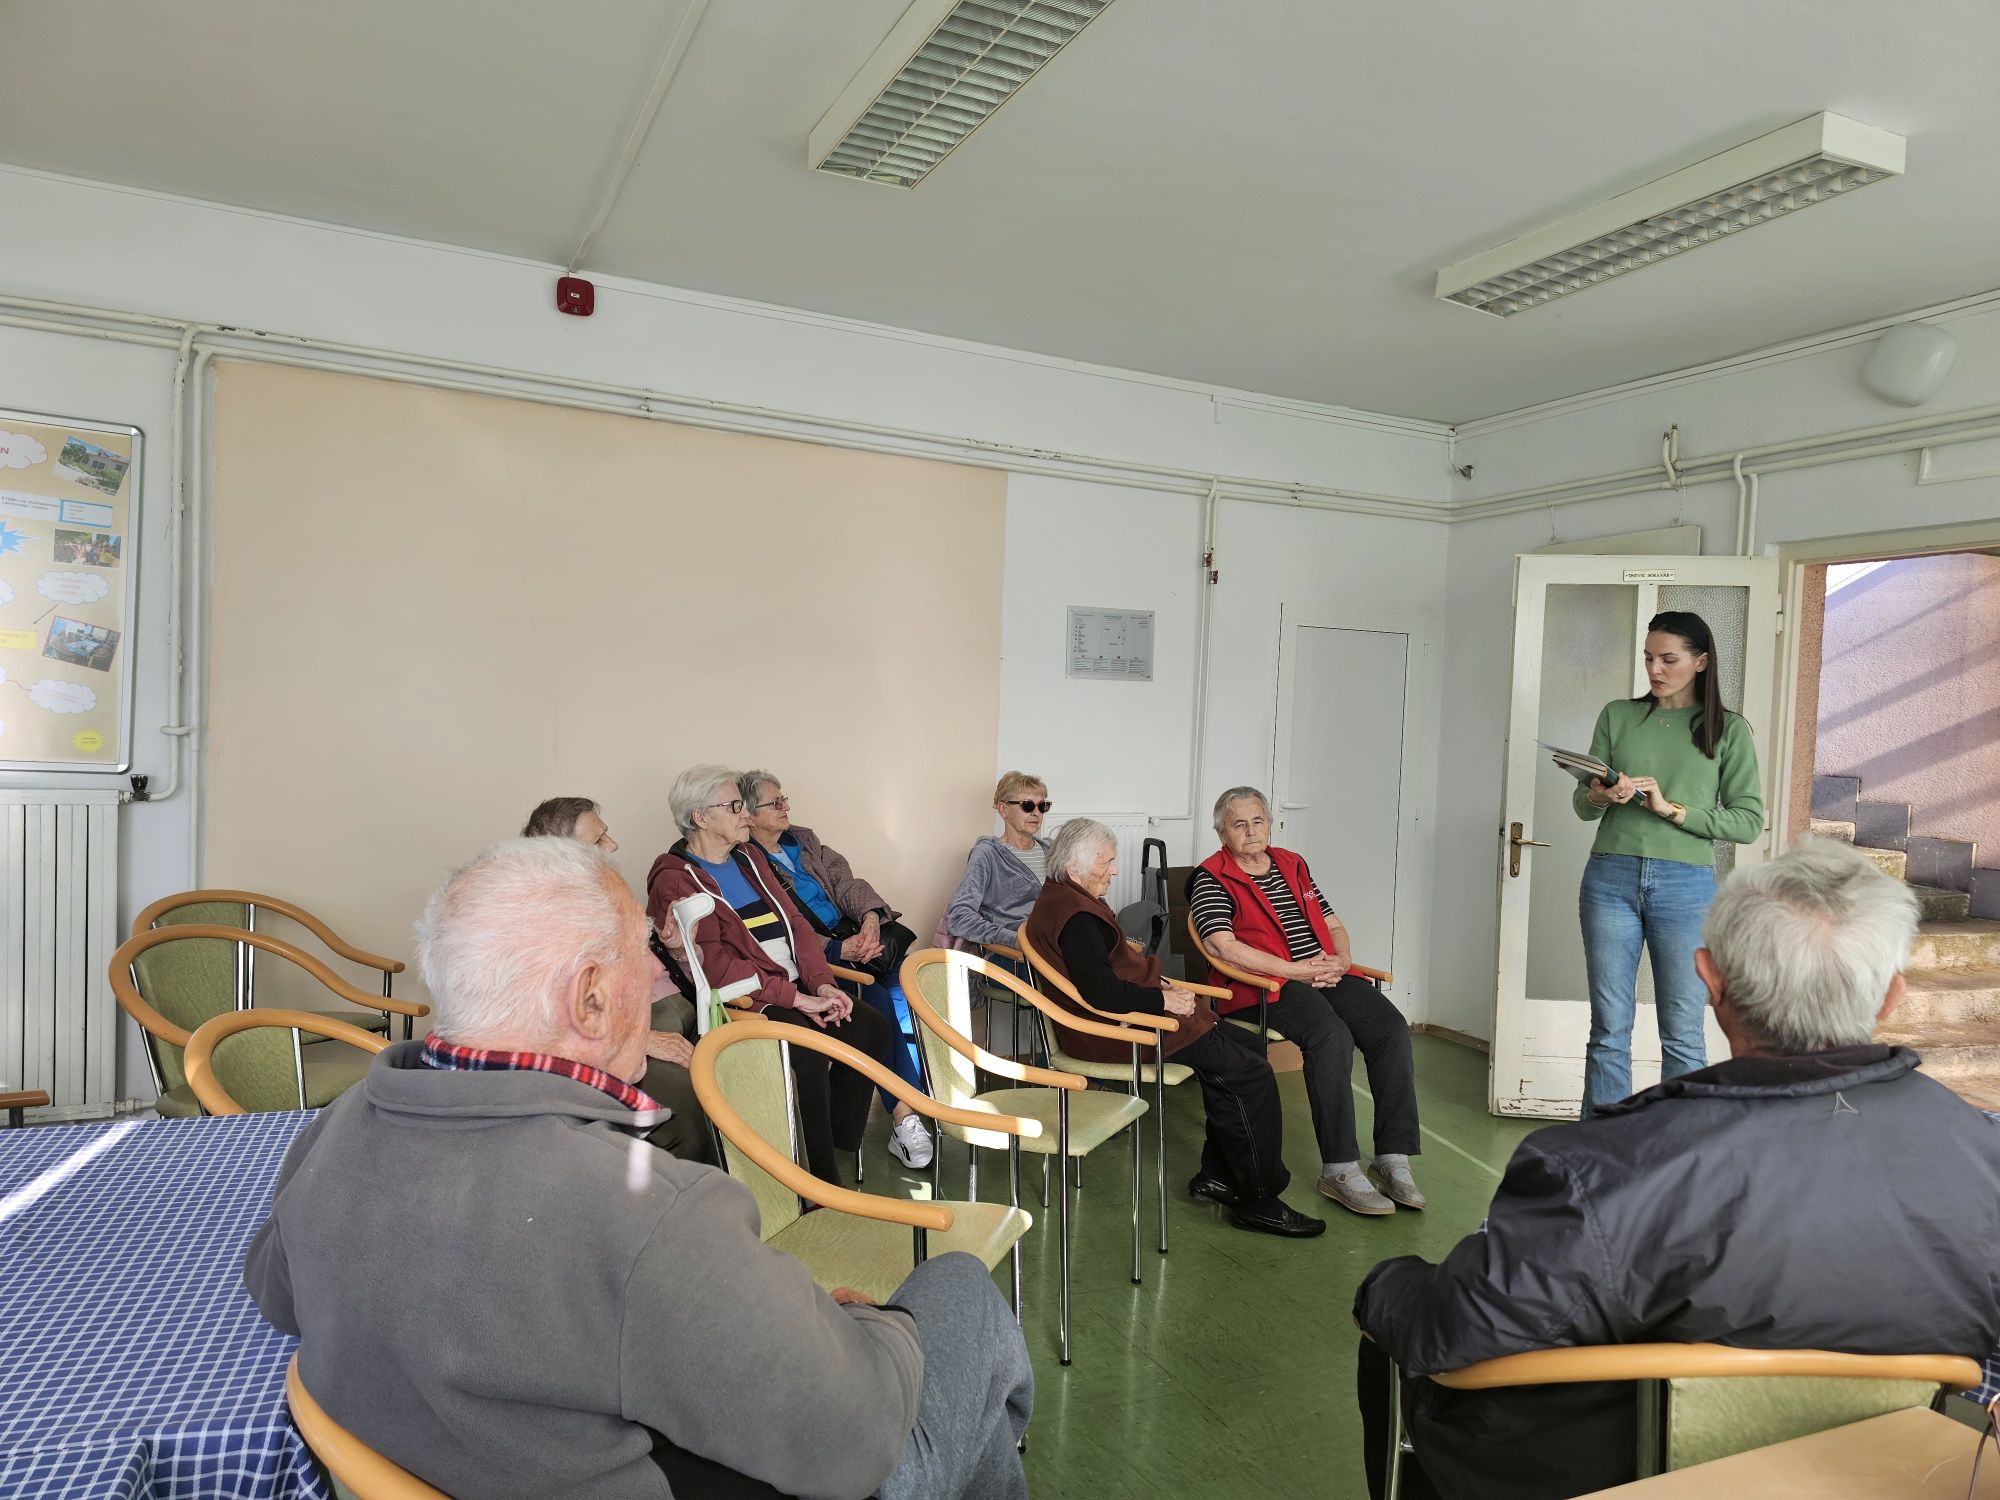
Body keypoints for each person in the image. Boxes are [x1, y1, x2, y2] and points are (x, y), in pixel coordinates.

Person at [243, 837, 1034, 1500]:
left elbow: (275, 1292)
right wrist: (870, 1324)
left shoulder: (339, 1127)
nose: (657, 975)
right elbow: (855, 1442)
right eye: (642, 954)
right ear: (589, 999)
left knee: (974, 1420)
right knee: (959, 1289)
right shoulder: (647, 1212)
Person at [1353, 838, 2000, 1500]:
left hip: (1638, 1475)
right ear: (1891, 996)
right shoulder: (1985, 1149)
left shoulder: (1599, 1168)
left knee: (1393, 1336)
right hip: (1898, 1473)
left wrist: (1386, 1285)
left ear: (1709, 979)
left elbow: (1455, 1331)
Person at [1024, 818, 1323, 1237]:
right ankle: (1260, 1200)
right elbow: (1102, 993)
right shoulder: (1076, 917)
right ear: (1075, 868)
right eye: (1107, 862)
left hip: (1127, 1016)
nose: (1115, 871)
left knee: (1250, 1049)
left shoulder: (1063, 897)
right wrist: (1161, 999)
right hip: (1116, 1030)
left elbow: (1108, 978)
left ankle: (1217, 1175)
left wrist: (1160, 988)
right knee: (1250, 1071)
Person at [647, 764, 896, 1187]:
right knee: (807, 1053)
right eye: (734, 806)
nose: (745, 814)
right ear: (700, 817)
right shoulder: (675, 878)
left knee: (869, 1027)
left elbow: (797, 924)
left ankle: (830, 1140)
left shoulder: (748, 858)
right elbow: (716, 966)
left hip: (794, 984)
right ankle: (819, 1184)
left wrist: (821, 983)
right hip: (747, 997)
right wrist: (797, 998)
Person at [1189, 786, 1423, 1217]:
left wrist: (1341, 961)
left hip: (1322, 974)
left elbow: (1331, 923)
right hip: (1265, 985)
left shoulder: (1292, 863)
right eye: (1239, 824)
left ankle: (1392, 1155)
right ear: (1221, 833)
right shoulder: (1210, 877)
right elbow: (1222, 946)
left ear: (1269, 823)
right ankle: (1339, 1168)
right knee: (1330, 1037)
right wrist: (1296, 971)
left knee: (1390, 1029)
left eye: (1258, 821)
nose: (1251, 830)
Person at [1574, 609, 1765, 1116]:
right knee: (1608, 1028)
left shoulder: (1727, 729)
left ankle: (1678, 1143)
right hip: (1610, 877)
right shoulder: (1618, 715)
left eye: (1668, 659)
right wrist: (1601, 795)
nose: (1655, 670)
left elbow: (1748, 822)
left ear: (1700, 662)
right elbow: (1582, 806)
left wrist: (1671, 810)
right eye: (1648, 659)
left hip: (1686, 885)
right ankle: (1603, 1144)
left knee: (1682, 1032)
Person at [739, 769, 932, 1170]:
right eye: (775, 802)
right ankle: (905, 1115)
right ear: (750, 815)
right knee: (876, 1002)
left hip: (856, 941)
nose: (785, 806)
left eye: (784, 798)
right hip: (818, 959)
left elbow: (847, 882)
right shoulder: (746, 861)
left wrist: (870, 921)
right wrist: (836, 948)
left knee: (908, 987)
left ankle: (920, 1097)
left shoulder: (802, 840)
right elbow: (781, 928)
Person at [522, 796, 714, 1165]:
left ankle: (784, 1192)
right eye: (598, 840)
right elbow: (551, 1013)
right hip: (625, 1039)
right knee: (690, 1105)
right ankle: (703, 1197)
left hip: (688, 1017)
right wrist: (640, 1039)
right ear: (561, 854)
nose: (612, 845)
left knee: (765, 1072)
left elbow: (684, 979)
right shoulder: (542, 918)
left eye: (606, 834)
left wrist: (678, 951)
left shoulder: (610, 897)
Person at [945, 771, 1053, 952]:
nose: (1036, 813)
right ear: (1003, 810)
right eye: (1027, 805)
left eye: (1042, 806)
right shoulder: (987, 854)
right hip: (1017, 955)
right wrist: (1013, 940)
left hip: (1056, 945)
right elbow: (959, 917)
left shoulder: (1051, 851)